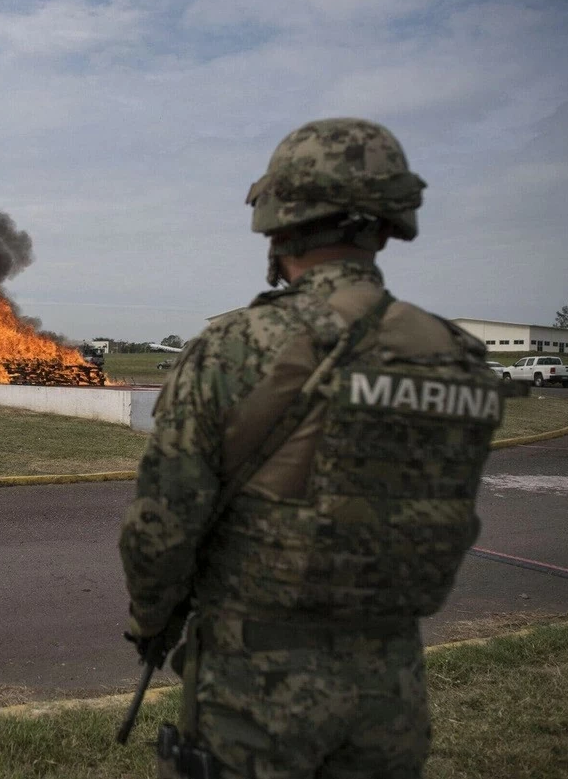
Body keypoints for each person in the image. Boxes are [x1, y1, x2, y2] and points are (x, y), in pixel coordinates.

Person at [120, 118, 505, 779]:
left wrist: (151, 618)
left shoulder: (234, 348)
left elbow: (162, 529)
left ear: (278, 222)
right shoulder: (461, 360)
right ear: (388, 224)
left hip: (254, 694)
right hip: (393, 689)